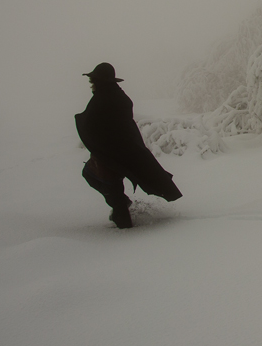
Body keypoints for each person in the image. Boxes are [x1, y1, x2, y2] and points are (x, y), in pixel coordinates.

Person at [75, 62, 182, 228]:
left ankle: (124, 225)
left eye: (93, 81)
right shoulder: (117, 96)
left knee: (104, 181)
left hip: (113, 153)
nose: (91, 85)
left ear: (100, 81)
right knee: (103, 180)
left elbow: (101, 125)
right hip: (120, 151)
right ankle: (122, 210)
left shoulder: (105, 98)